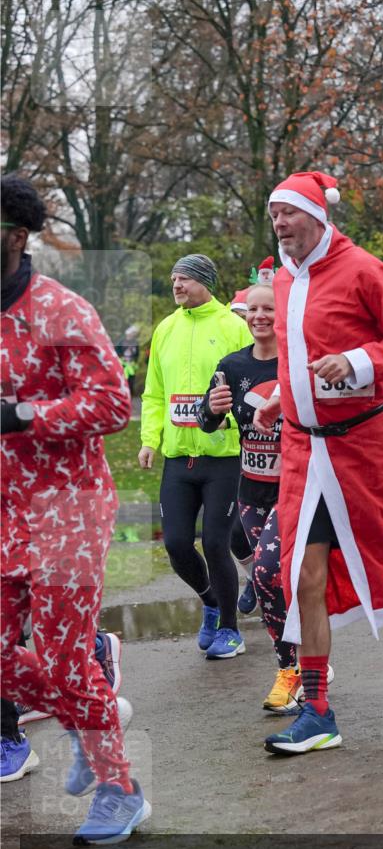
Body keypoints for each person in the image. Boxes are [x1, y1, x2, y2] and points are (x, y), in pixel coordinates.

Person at [253, 170, 383, 755]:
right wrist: (277, 400)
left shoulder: (363, 269)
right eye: (274, 216)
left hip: (360, 446)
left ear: (319, 217)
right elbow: (296, 358)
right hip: (301, 447)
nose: (280, 225)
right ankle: (317, 710)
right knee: (303, 574)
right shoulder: (284, 280)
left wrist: (359, 361)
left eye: (288, 214)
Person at [0, 174, 149, 841]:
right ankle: (86, 718)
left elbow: (114, 403)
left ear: (16, 233)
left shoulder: (61, 310)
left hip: (67, 508)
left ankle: (121, 788)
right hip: (2, 510)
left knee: (63, 659)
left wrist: (27, 414)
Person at [197, 259, 312, 712]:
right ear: (244, 315)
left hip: (295, 488)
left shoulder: (296, 361)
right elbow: (210, 423)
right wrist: (211, 406)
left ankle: (291, 670)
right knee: (272, 583)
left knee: (266, 572)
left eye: (270, 309)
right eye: (254, 310)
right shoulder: (232, 365)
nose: (261, 316)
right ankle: (304, 661)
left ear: (281, 313)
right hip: (252, 490)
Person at [139, 253, 254, 658]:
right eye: (173, 278)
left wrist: (234, 426)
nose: (176, 285)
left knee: (216, 543)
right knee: (175, 544)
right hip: (177, 456)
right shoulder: (165, 330)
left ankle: (230, 629)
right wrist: (149, 440)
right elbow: (154, 393)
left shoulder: (234, 327)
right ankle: (209, 602)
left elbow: (251, 387)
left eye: (184, 278)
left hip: (223, 457)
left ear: (205, 282)